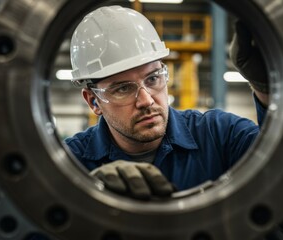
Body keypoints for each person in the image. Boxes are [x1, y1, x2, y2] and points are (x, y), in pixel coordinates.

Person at [65, 5, 269, 200]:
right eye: (123, 89)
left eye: (153, 79)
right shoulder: (71, 163)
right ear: (94, 101)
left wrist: (268, 89)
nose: (146, 100)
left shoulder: (221, 136)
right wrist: (86, 196)